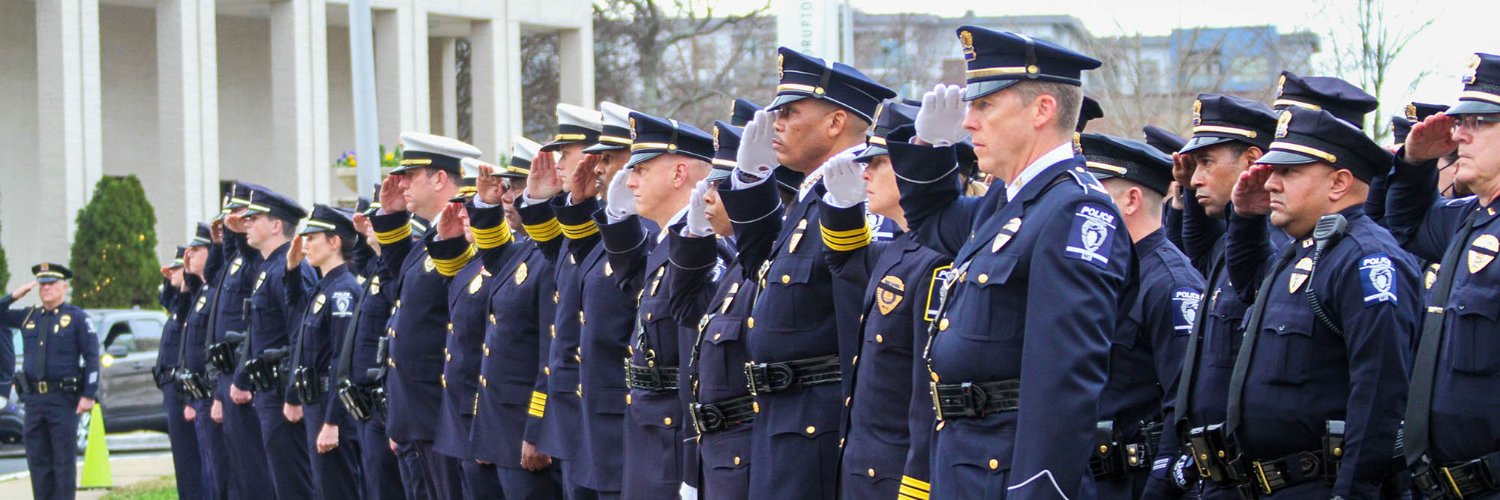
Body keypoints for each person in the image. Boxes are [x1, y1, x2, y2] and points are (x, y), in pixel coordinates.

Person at [888, 26, 1130, 499]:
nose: (968, 122)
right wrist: (928, 150)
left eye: (985, 105)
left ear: (1042, 110)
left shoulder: (1073, 210)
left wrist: (1038, 490)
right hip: (965, 464)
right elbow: (934, 223)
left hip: (1006, 475)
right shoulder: (1007, 201)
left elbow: (1064, 382)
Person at [717, 46, 895, 499]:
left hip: (821, 432)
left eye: (789, 112)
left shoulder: (855, 199)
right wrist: (752, 180)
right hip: (783, 423)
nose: (775, 123)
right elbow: (759, 268)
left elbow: (861, 325)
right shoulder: (810, 199)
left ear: (835, 123)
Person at [1222, 106, 1418, 498]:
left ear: (1339, 183)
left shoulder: (1366, 259)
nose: (1270, 183)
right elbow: (1247, 286)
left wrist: (1352, 492)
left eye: (1288, 172)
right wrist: (1245, 218)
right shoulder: (1305, 250)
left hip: (1321, 484)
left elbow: (1379, 394)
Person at [817, 100, 952, 500]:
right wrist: (842, 207)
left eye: (879, 163)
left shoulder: (938, 259)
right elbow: (847, 260)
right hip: (864, 471)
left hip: (898, 477)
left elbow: (929, 390)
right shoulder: (901, 247)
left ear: (915, 167)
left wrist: (918, 484)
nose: (865, 173)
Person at [1388, 52, 1500, 500]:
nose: (1459, 134)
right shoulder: (1471, 217)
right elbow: (1406, 227)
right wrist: (1415, 163)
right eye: (1461, 121)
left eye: (1481, 122)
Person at [1079, 133, 1206, 500]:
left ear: (1132, 200)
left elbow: (1185, 403)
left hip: (1137, 481)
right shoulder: (1103, 271)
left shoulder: (1171, 283)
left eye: (1095, 193)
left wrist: (1161, 488)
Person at [596, 111, 715, 498]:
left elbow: (699, 369)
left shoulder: (700, 245)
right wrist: (617, 220)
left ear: (679, 174)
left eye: (641, 170)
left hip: (672, 443)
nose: (630, 181)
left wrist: (693, 467)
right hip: (651, 433)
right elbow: (637, 287)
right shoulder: (669, 241)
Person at [1165, 94, 1278, 498]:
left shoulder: (1275, 248)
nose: (1196, 179)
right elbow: (1197, 250)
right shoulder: (1228, 245)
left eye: (1207, 163)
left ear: (1251, 160)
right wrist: (1186, 190)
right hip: (1213, 474)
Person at [370, 131, 483, 499]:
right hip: (418, 408)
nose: (402, 184)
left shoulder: (465, 235)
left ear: (439, 179)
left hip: (443, 406)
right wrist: (391, 218)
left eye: (411, 175)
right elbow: (400, 287)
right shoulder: (430, 239)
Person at [516, 102, 609, 500]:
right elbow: (560, 253)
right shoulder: (583, 229)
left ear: (593, 159)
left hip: (604, 412)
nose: (558, 165)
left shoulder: (616, 228)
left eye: (566, 154)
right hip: (572, 413)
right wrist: (538, 202)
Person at [469, 138, 565, 499]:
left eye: (520, 185)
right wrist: (485, 206)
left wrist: (538, 427)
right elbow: (493, 256)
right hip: (502, 425)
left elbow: (550, 350)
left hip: (526, 426)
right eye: (507, 187)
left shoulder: (553, 256)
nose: (509, 197)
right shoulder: (524, 249)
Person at [668, 115, 758, 500]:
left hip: (746, 458)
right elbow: (687, 308)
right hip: (717, 457)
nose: (706, 197)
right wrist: (693, 238)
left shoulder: (761, 264)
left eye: (720, 187)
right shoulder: (739, 265)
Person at [231, 187, 315, 499]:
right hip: (268, 390)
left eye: (255, 218)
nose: (247, 223)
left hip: (283, 393)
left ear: (277, 225)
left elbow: (301, 336)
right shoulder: (268, 267)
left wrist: (293, 395)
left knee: (295, 482)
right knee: (280, 479)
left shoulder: (288, 269)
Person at [284, 204, 365, 497]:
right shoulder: (325, 288)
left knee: (338, 489)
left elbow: (342, 360)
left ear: (334, 242)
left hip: (331, 406)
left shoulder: (343, 291)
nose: (305, 245)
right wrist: (292, 269)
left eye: (312, 238)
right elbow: (297, 308)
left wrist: (333, 421)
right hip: (315, 402)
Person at [0, 263, 100, 500]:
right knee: (38, 462)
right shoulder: (30, 316)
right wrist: (13, 296)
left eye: (52, 283)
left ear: (64, 287)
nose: (46, 288)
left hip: (63, 399)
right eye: (42, 284)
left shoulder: (76, 318)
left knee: (62, 462)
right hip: (34, 400)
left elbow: (92, 357)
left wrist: (88, 394)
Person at [210, 184, 277, 498]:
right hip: (229, 370)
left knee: (254, 465)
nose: (238, 221)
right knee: (239, 464)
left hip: (246, 370)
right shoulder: (237, 258)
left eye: (245, 215)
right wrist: (221, 241)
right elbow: (214, 277)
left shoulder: (257, 261)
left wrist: (243, 375)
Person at [180, 222, 233, 499]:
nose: (189, 255)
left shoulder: (214, 293)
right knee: (211, 471)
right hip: (200, 394)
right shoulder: (202, 292)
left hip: (212, 392)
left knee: (222, 472)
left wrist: (217, 394)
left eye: (197, 250)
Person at [154, 246, 206, 499]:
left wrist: (186, 280)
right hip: (171, 387)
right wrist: (169, 281)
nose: (172, 273)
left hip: (184, 387)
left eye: (178, 268)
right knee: (183, 461)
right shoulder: (177, 305)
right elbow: (167, 300)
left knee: (192, 458)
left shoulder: (192, 301)